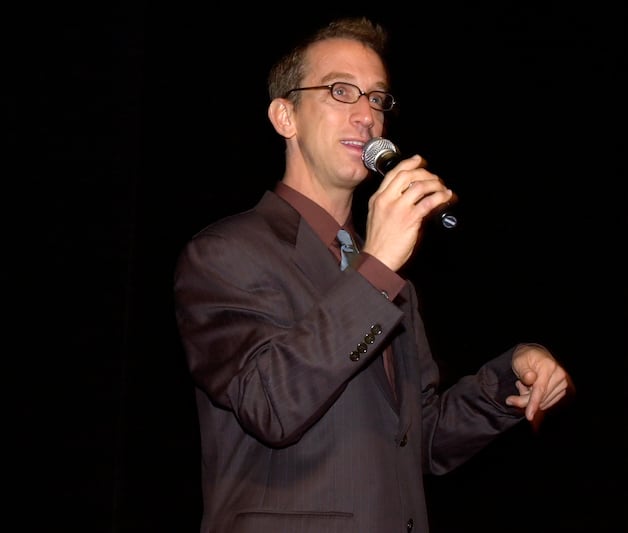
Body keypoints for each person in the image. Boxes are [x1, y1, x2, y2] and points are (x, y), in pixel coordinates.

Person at [173, 16, 574, 533]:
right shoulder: (227, 252)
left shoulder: (386, 277)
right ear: (285, 116)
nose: (366, 115)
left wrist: (507, 381)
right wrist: (377, 269)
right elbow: (270, 405)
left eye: (378, 99)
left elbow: (418, 440)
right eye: (341, 91)